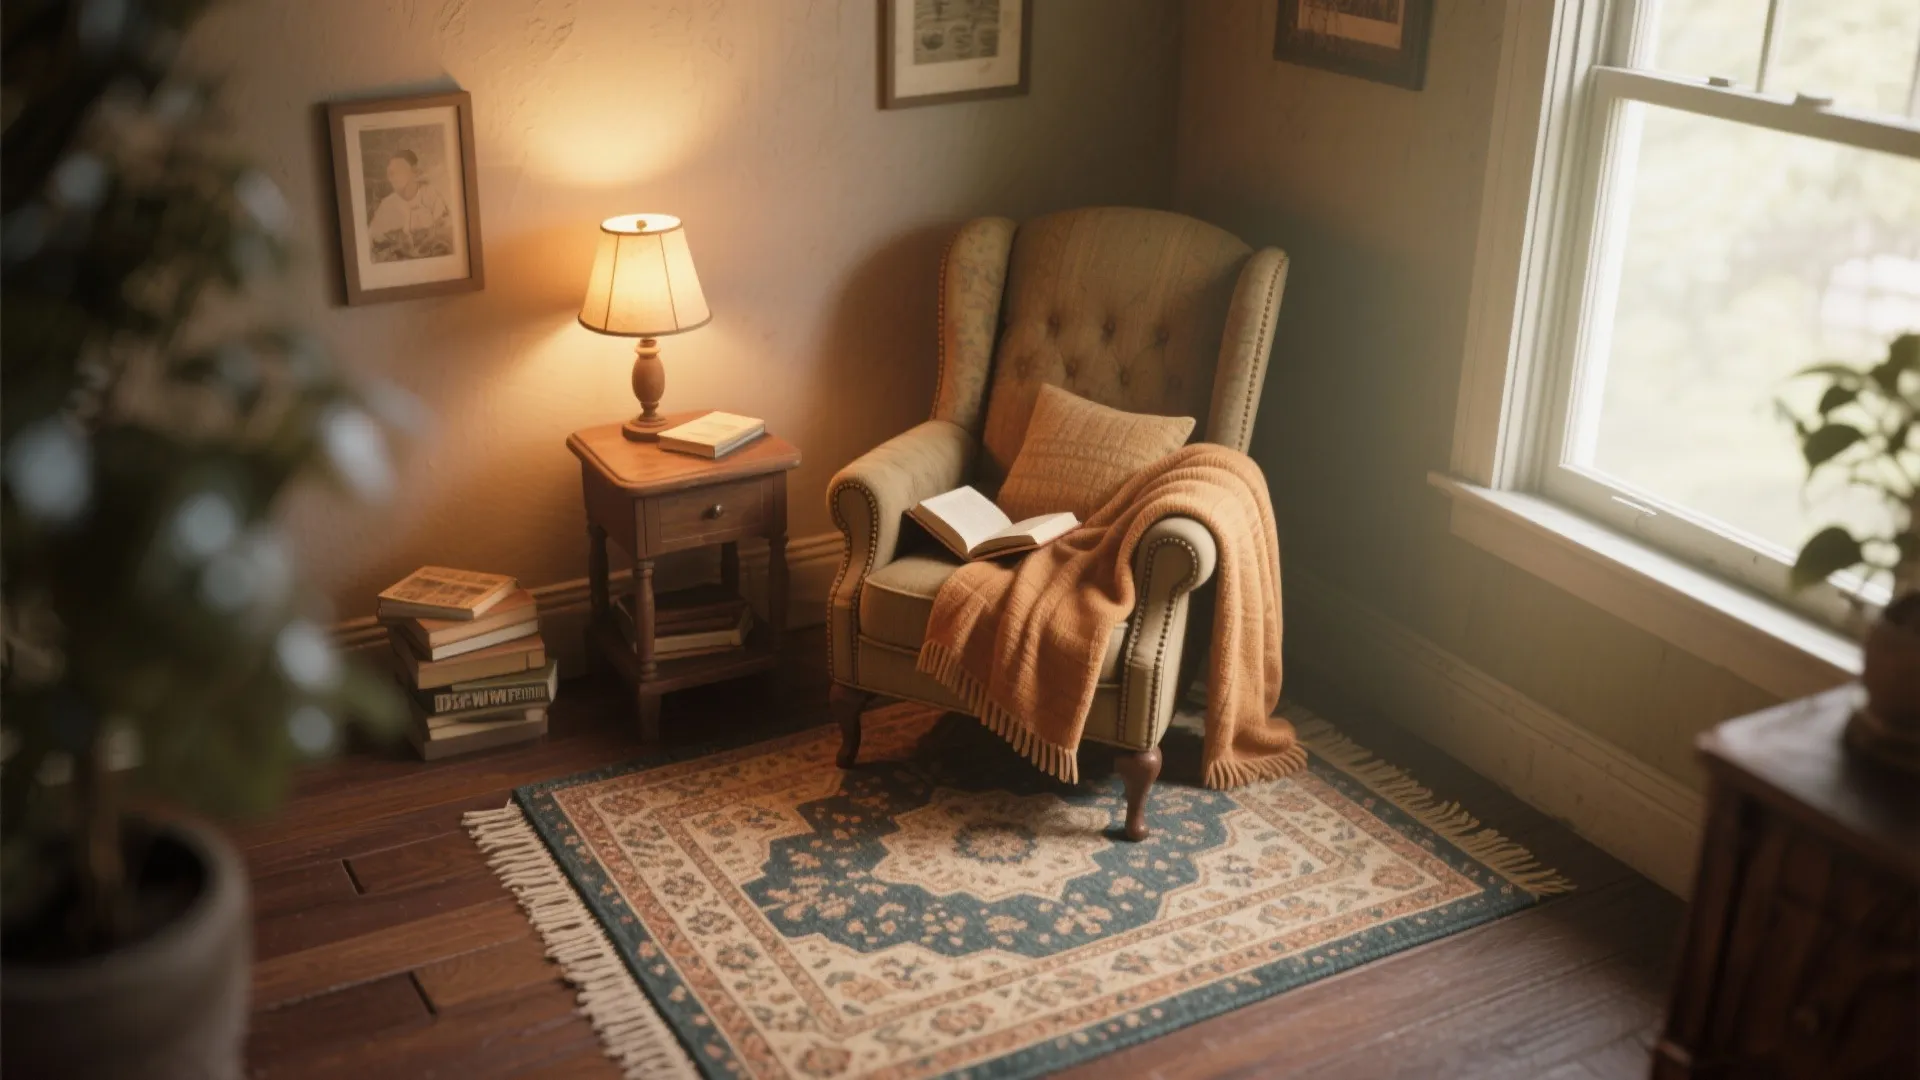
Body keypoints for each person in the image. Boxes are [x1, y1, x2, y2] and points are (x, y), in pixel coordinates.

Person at [366, 149, 451, 260]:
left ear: (414, 171)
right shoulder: (386, 205)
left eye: (399, 170)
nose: (393, 177)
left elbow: (446, 229)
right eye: (390, 173)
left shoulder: (431, 195)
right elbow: (371, 241)